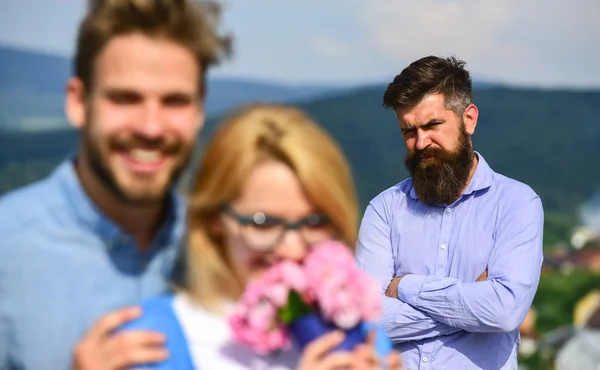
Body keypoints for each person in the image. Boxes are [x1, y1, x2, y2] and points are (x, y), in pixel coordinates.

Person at [0, 0, 231, 369]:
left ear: (200, 109)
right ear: (78, 101)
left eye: (174, 101)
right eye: (125, 98)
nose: (151, 128)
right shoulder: (8, 251)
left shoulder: (223, 247)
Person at [117, 103, 403, 369]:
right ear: (213, 218)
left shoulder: (360, 330)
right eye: (263, 223)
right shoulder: (150, 341)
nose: (292, 249)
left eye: (315, 222)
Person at [355, 55, 544, 369]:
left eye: (432, 125)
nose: (420, 142)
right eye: (408, 132)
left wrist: (404, 287)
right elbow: (363, 318)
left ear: (469, 119)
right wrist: (471, 304)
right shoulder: (384, 209)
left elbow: (504, 311)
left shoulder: (517, 203)